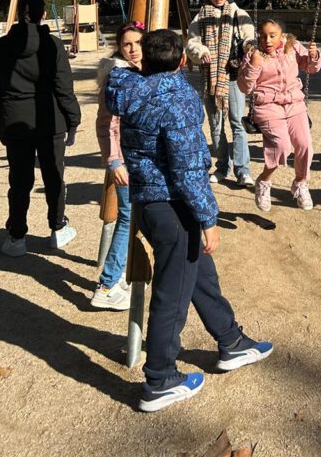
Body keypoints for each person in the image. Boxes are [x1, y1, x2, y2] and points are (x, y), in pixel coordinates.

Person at [106, 29, 272, 413]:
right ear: (182, 60)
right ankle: (160, 379)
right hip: (172, 206)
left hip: (148, 200)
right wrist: (208, 218)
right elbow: (187, 169)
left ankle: (231, 340)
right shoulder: (177, 99)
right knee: (171, 295)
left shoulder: (129, 88)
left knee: (199, 274)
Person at [0, 0, 81, 256]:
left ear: (18, 13)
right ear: (43, 15)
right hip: (50, 119)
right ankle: (58, 227)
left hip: (15, 119)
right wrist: (73, 119)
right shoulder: (53, 44)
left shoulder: (0, 46)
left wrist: (0, 120)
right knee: (54, 176)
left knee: (19, 180)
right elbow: (64, 88)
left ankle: (17, 236)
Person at [237, 18, 321, 212]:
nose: (267, 40)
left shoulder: (292, 47)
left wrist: (314, 56)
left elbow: (310, 67)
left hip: (294, 103)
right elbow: (245, 87)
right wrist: (254, 65)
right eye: (263, 36)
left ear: (282, 36)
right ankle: (264, 181)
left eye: (272, 36)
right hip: (267, 106)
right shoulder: (253, 54)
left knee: (305, 145)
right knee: (281, 146)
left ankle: (300, 183)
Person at [91, 21, 144, 311]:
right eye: (127, 44)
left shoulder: (140, 71)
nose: (133, 49)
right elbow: (107, 124)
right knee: (127, 217)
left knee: (131, 216)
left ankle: (115, 274)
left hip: (138, 156)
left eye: (138, 43)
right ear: (119, 48)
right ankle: (107, 284)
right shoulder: (118, 76)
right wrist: (114, 161)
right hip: (124, 159)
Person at [186, 0, 255, 188]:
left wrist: (249, 46)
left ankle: (243, 170)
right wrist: (201, 52)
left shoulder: (238, 13)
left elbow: (248, 37)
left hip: (232, 74)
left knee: (237, 123)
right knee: (216, 125)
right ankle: (222, 166)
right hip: (210, 76)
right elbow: (191, 43)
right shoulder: (201, 16)